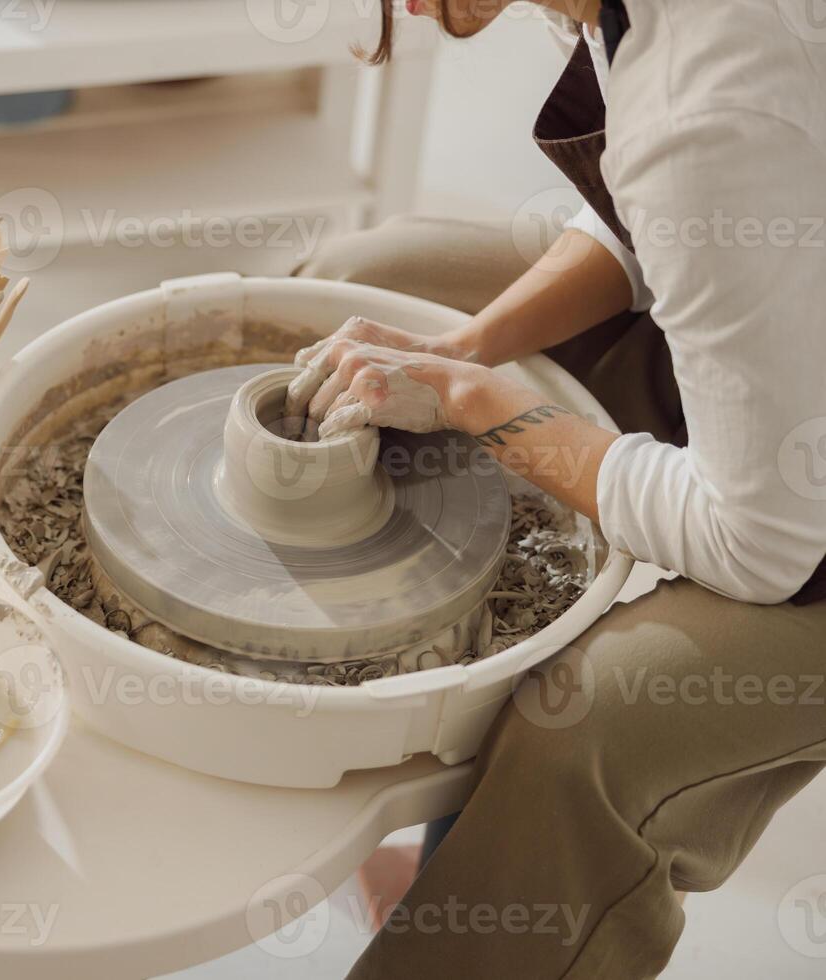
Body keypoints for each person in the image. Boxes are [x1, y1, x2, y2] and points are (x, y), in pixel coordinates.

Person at [288, 0, 826, 975]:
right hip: (788, 308)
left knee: (579, 726)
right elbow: (656, 207)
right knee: (360, 285)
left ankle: (506, 902)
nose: (403, 5)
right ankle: (467, 873)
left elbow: (764, 540)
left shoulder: (707, 105)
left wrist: (479, 402)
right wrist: (462, 346)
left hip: (801, 519)